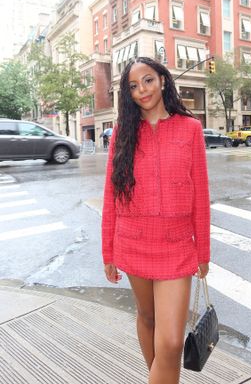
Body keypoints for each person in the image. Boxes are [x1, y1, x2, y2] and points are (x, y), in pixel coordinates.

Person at [101, 57, 210, 384]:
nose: (141, 90)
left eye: (148, 80)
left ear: (163, 80)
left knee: (172, 342)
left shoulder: (190, 128)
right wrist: (108, 252)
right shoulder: (122, 132)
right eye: (133, 86)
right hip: (132, 243)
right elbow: (111, 196)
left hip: (176, 247)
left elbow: (201, 195)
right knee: (147, 317)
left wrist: (203, 251)